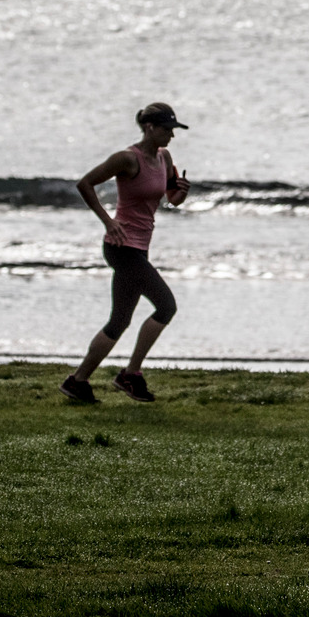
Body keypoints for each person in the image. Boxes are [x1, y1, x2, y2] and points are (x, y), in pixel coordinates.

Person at [60, 102, 191, 403]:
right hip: (121, 248)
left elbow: (172, 198)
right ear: (149, 128)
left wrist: (181, 192)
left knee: (119, 321)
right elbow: (85, 183)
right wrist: (109, 221)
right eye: (167, 129)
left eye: (173, 130)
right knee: (166, 306)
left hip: (140, 248)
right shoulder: (127, 159)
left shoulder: (164, 157)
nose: (171, 135)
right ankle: (130, 375)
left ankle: (77, 381)